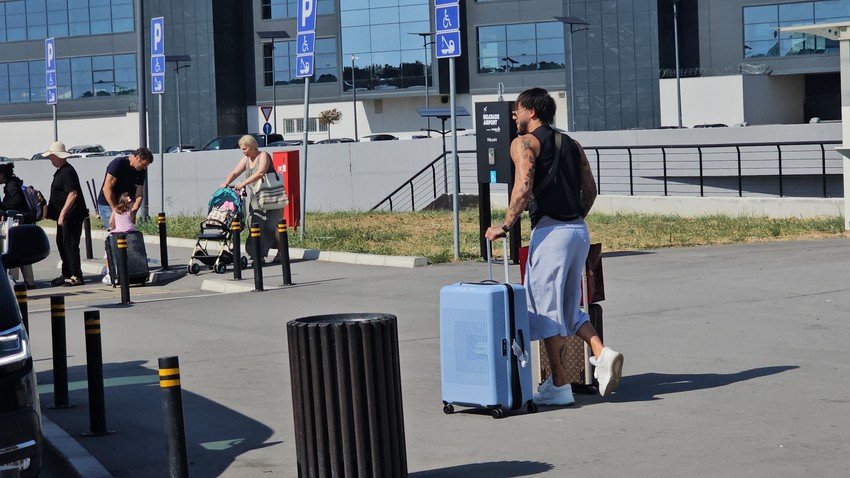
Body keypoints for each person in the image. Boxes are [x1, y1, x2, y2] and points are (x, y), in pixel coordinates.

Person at [484, 87, 624, 405]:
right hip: (578, 230)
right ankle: (601, 354)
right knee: (564, 306)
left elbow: (523, 185)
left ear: (531, 111)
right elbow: (590, 189)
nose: (513, 115)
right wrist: (573, 219)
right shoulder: (572, 144)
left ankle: (559, 385)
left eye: (517, 110)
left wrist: (504, 226)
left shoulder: (524, 143)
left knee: (543, 309)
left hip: (552, 234)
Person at [220, 135, 283, 264]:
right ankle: (257, 254)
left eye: (245, 149)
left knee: (273, 226)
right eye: (242, 149)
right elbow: (235, 172)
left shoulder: (263, 155)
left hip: (271, 195)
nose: (243, 151)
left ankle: (281, 251)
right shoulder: (246, 159)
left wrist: (243, 183)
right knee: (253, 223)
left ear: (252, 146)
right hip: (256, 197)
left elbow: (260, 172)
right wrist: (226, 183)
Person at [44, 141, 89, 287]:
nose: (50, 159)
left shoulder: (67, 172)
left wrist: (62, 214)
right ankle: (67, 273)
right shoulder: (61, 171)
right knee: (62, 243)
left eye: (52, 156)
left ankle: (76, 275)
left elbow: (72, 194)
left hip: (71, 216)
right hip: (64, 216)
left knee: (70, 244)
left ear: (58, 156)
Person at [96, 147, 153, 230]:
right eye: (143, 165)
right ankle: (112, 241)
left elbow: (139, 192)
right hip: (109, 202)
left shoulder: (141, 171)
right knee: (115, 229)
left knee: (127, 230)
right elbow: (107, 188)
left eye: (146, 166)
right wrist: (114, 209)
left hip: (126, 205)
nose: (144, 168)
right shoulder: (118, 164)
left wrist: (134, 210)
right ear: (137, 158)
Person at [0, 162, 37, 288]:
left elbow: (16, 202)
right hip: (22, 221)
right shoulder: (14, 184)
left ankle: (13, 279)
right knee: (22, 252)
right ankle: (30, 281)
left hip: (18, 222)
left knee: (14, 251)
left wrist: (3, 206)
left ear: (2, 175)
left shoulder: (11, 186)